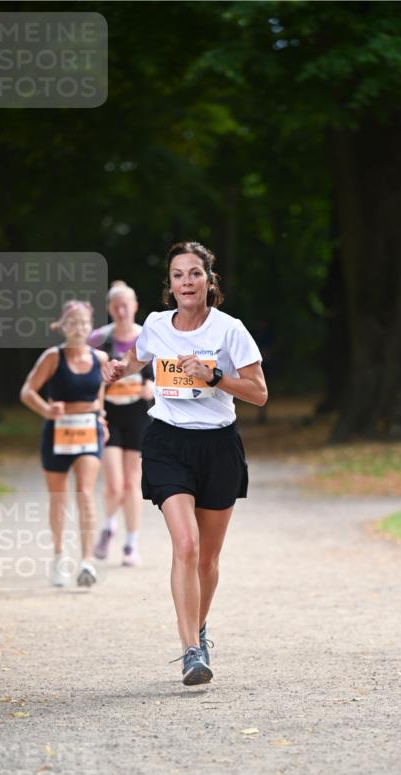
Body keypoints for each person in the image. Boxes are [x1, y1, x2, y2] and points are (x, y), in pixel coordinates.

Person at [101, 242, 267, 685]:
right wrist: (120, 369)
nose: (187, 282)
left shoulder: (230, 330)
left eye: (195, 274)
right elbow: (138, 357)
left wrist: (214, 377)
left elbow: (259, 391)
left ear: (209, 283)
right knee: (187, 546)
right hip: (167, 443)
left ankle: (199, 625)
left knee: (208, 560)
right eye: (178, 275)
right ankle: (192, 650)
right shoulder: (156, 324)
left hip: (217, 447)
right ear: (169, 285)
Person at [20, 300, 109, 587]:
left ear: (91, 326)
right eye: (73, 323)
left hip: (88, 432)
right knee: (58, 498)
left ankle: (87, 563)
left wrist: (102, 418)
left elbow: (100, 398)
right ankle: (59, 557)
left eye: (84, 323)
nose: (79, 328)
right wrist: (47, 410)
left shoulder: (101, 359)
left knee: (85, 492)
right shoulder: (52, 357)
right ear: (62, 326)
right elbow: (28, 392)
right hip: (57, 433)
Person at [89, 281, 154, 567]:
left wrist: (153, 387)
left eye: (126, 304)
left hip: (140, 416)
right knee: (114, 485)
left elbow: (166, 372)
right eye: (116, 306)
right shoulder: (99, 339)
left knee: (131, 484)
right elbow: (86, 373)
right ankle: (109, 525)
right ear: (109, 310)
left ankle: (130, 545)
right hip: (110, 416)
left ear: (135, 306)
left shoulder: (148, 337)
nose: (122, 310)